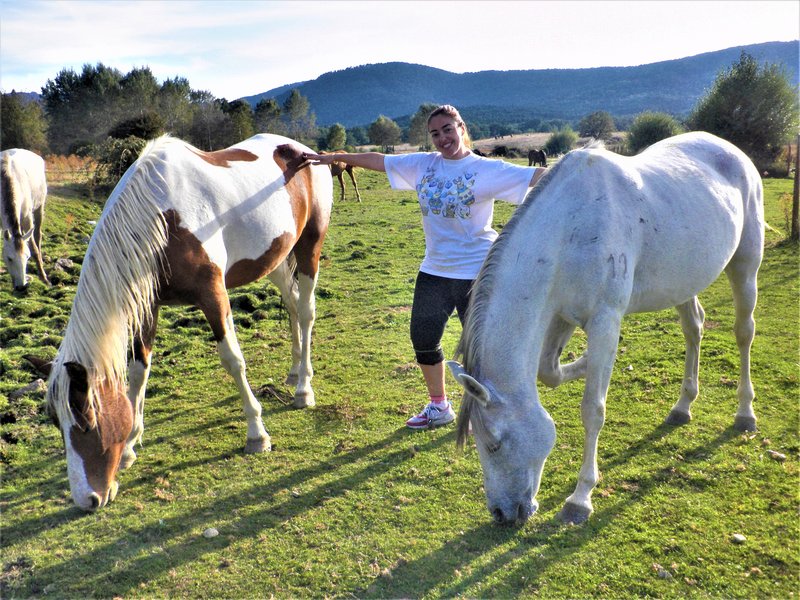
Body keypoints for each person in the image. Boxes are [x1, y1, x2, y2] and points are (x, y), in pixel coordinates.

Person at [303, 105, 547, 430]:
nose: (442, 138)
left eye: (448, 129)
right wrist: (336, 157)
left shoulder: (486, 169)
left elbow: (537, 178)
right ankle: (439, 406)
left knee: (482, 348)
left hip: (476, 273)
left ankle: (491, 408)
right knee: (423, 338)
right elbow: (380, 160)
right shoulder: (423, 165)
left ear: (461, 127)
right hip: (435, 270)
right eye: (435, 133)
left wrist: (582, 169)